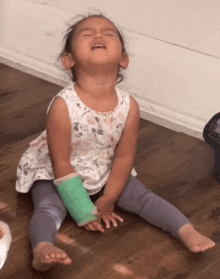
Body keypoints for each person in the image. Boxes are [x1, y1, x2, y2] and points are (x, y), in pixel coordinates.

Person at [15, 14, 215, 272]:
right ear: (69, 60)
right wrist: (83, 211)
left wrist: (109, 197)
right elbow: (61, 162)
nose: (98, 35)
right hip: (56, 171)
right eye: (87, 34)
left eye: (108, 33)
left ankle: (186, 230)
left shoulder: (129, 106)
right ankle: (42, 247)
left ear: (124, 59)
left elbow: (123, 158)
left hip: (103, 165)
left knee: (143, 197)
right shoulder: (62, 106)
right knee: (48, 206)